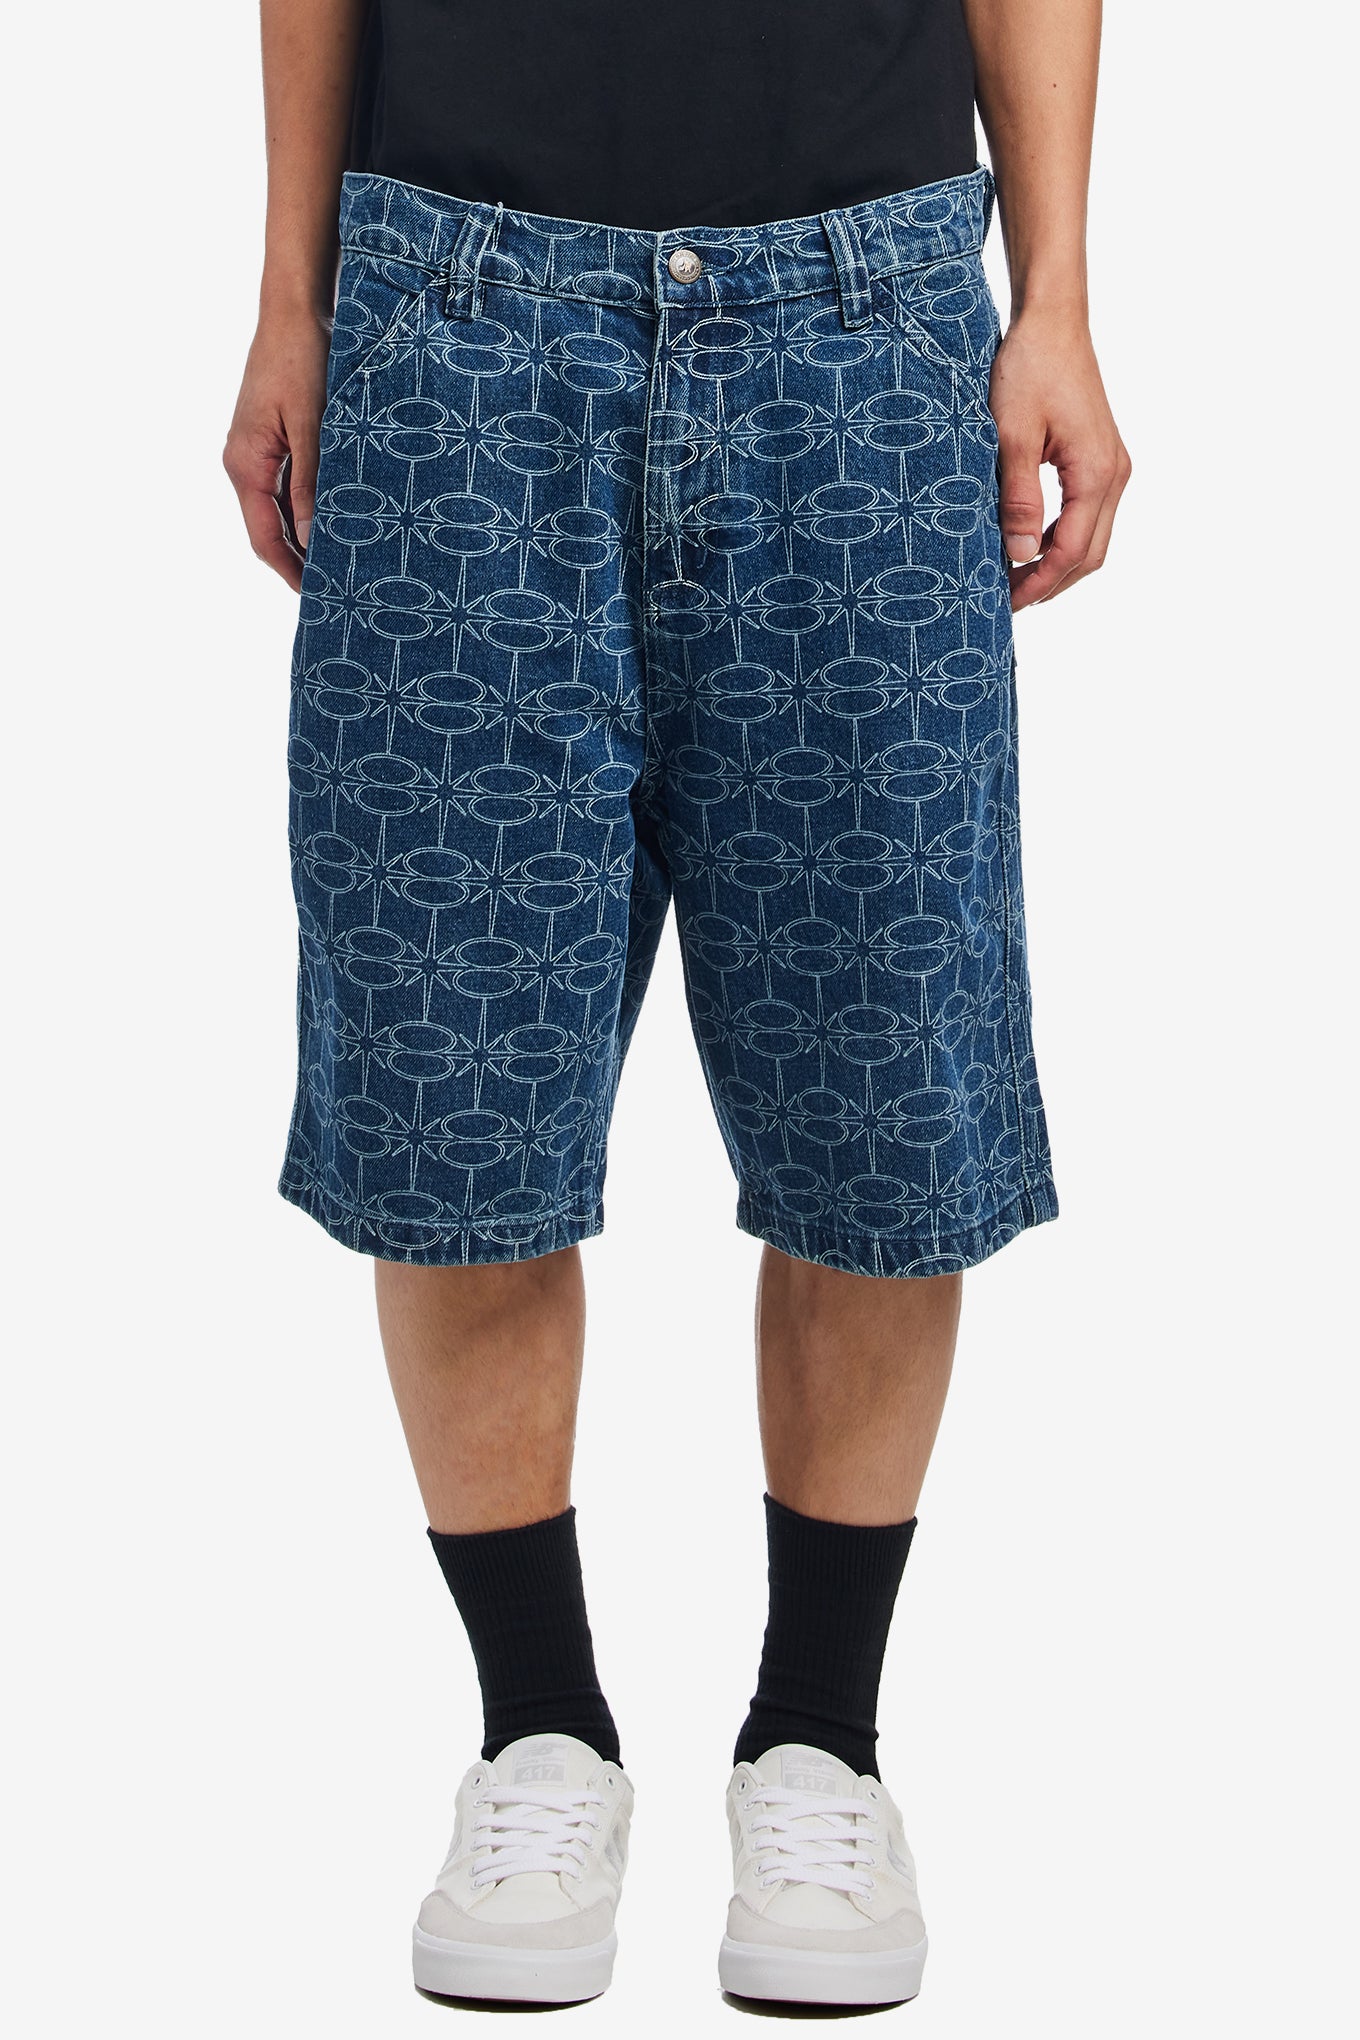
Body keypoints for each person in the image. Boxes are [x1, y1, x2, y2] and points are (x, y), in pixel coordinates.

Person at [224, 0, 1129, 2008]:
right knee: (455, 1088)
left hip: (867, 321)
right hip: (454, 319)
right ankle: (537, 1734)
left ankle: (819, 1743)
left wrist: (1058, 292)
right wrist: (292, 293)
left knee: (880, 1089)